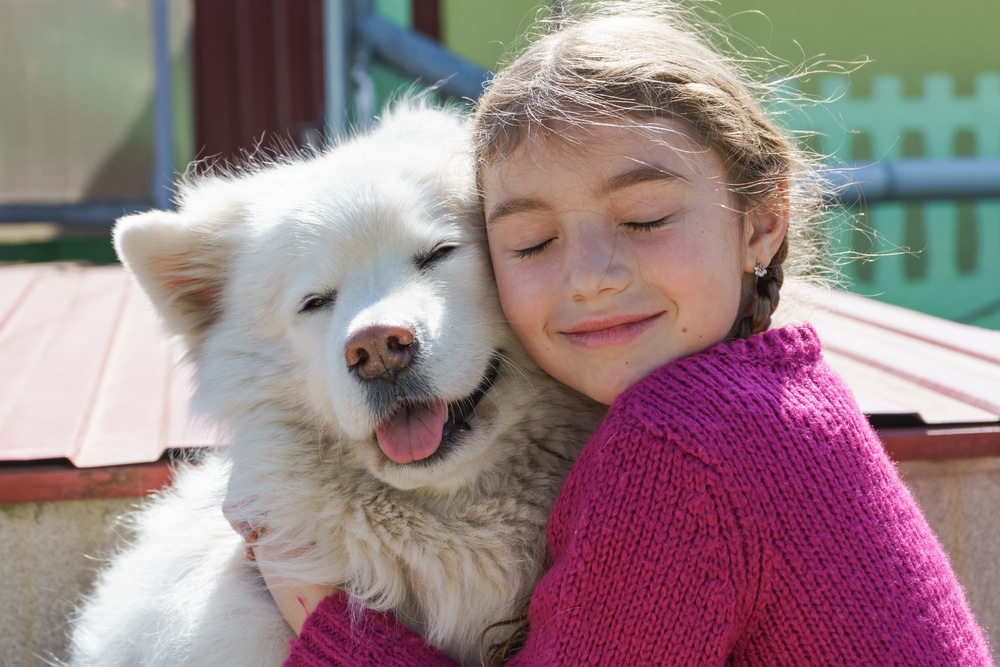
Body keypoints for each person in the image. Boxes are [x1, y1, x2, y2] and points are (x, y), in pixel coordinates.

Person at [258, 1, 994, 664]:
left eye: (644, 219)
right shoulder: (781, 396)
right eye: (532, 243)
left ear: (763, 222)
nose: (589, 277)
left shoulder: (681, 443)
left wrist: (322, 615)